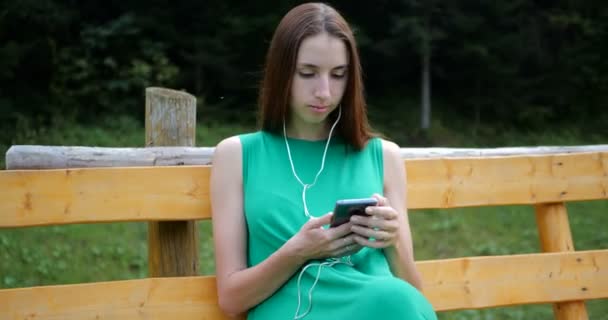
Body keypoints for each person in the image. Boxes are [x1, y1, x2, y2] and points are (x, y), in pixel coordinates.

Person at [210, 3, 437, 319]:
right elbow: (231, 301)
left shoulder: (383, 156)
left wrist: (393, 242)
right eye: (308, 73)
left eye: (338, 75)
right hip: (287, 312)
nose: (324, 92)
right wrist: (298, 251)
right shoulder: (238, 156)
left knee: (396, 300)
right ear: (281, 72)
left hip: (383, 306)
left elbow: (415, 296)